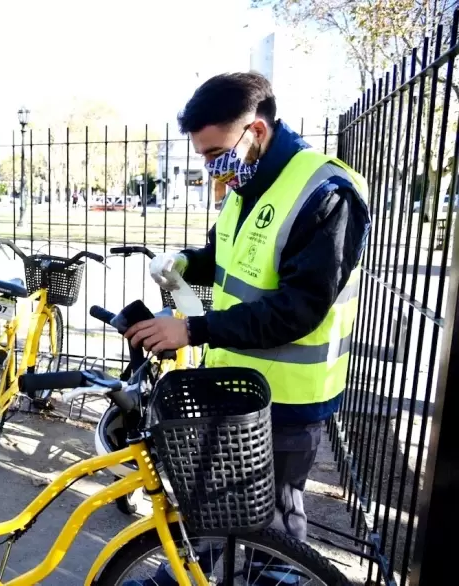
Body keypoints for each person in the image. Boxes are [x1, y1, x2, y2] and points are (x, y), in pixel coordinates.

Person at [124, 72, 370, 584]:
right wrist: (185, 263)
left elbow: (299, 309)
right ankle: (199, 571)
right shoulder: (245, 183)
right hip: (237, 382)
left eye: (215, 152)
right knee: (225, 508)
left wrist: (193, 330)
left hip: (288, 400)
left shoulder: (325, 192)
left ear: (254, 131)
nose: (210, 166)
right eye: (202, 155)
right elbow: (223, 255)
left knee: (272, 530)